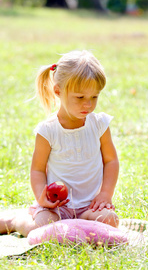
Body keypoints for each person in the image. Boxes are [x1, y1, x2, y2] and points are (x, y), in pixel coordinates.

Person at [0, 50, 119, 237]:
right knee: (38, 228)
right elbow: (38, 169)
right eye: (80, 97)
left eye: (94, 97)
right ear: (58, 91)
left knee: (110, 220)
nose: (88, 104)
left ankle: (76, 227)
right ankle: (15, 220)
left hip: (89, 206)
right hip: (57, 208)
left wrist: (105, 194)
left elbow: (111, 161)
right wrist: (42, 197)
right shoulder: (48, 130)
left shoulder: (99, 125)